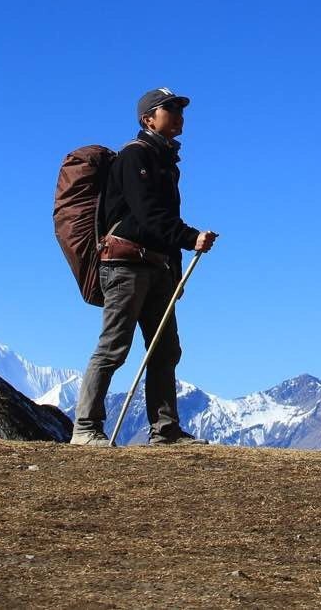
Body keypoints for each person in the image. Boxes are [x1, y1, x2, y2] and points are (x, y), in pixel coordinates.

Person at [71, 88, 219, 446]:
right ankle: (86, 428)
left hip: (154, 266)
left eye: (179, 108)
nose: (179, 113)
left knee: (164, 348)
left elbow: (160, 219)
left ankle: (165, 430)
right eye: (169, 108)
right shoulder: (135, 156)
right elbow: (149, 214)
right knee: (114, 346)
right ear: (147, 119)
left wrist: (175, 267)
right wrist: (188, 238)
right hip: (125, 265)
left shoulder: (163, 160)